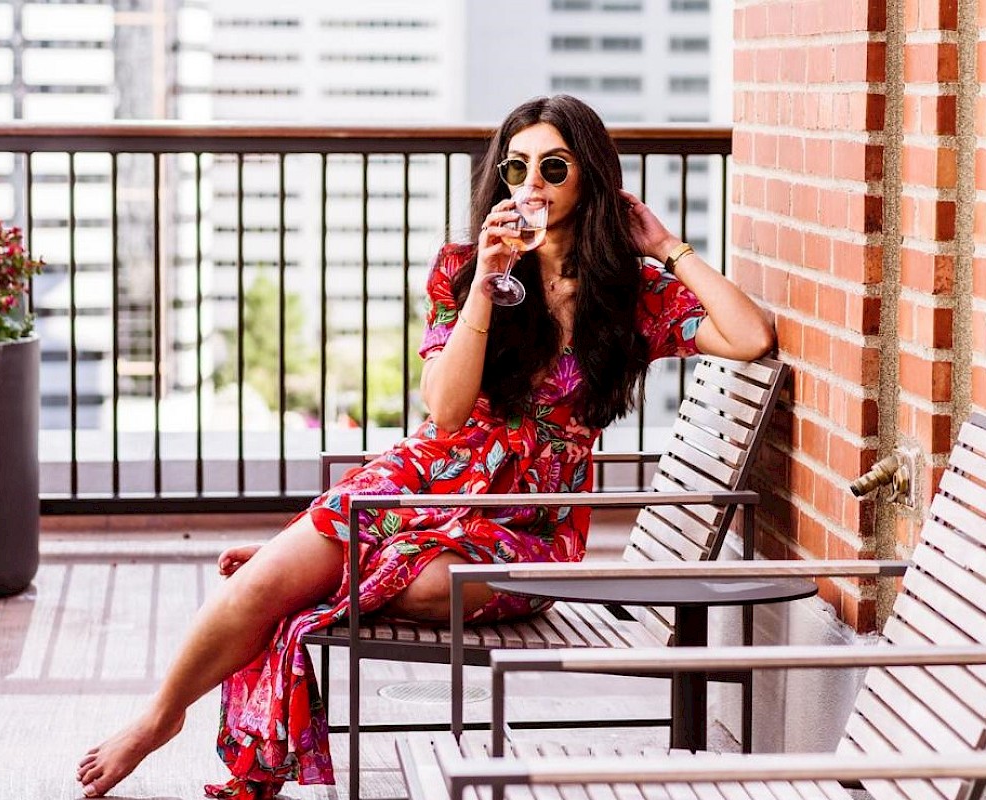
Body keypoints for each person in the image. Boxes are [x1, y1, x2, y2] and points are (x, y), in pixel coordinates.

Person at [76, 94, 774, 800]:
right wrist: (486, 282)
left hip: (528, 516)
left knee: (432, 584)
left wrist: (664, 246)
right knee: (258, 588)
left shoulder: (632, 298)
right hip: (430, 473)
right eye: (517, 167)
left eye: (554, 167)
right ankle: (159, 718)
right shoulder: (463, 269)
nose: (531, 185)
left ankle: (318, 569)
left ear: (590, 176)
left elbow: (751, 337)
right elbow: (443, 413)